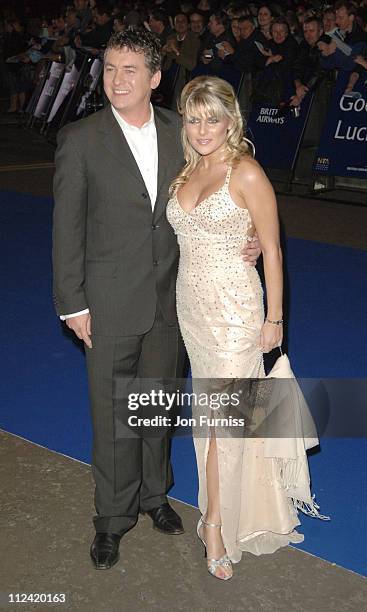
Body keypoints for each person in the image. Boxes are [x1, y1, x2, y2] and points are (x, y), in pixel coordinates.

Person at [53, 28, 260, 571]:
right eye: (109, 69)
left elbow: (219, 187)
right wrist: (72, 304)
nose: (116, 80)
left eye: (129, 70)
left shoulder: (182, 132)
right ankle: (111, 517)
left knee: (157, 407)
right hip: (108, 300)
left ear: (154, 79)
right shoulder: (80, 138)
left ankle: (154, 497)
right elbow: (66, 229)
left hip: (174, 301)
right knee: (114, 412)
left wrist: (250, 233)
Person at [166, 76, 312, 581]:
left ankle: (214, 524)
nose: (203, 128)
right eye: (193, 117)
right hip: (192, 312)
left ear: (232, 121)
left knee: (223, 427)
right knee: (211, 421)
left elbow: (271, 248)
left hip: (234, 315)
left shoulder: (245, 172)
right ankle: (219, 511)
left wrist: (275, 319)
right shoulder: (187, 170)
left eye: (213, 118)